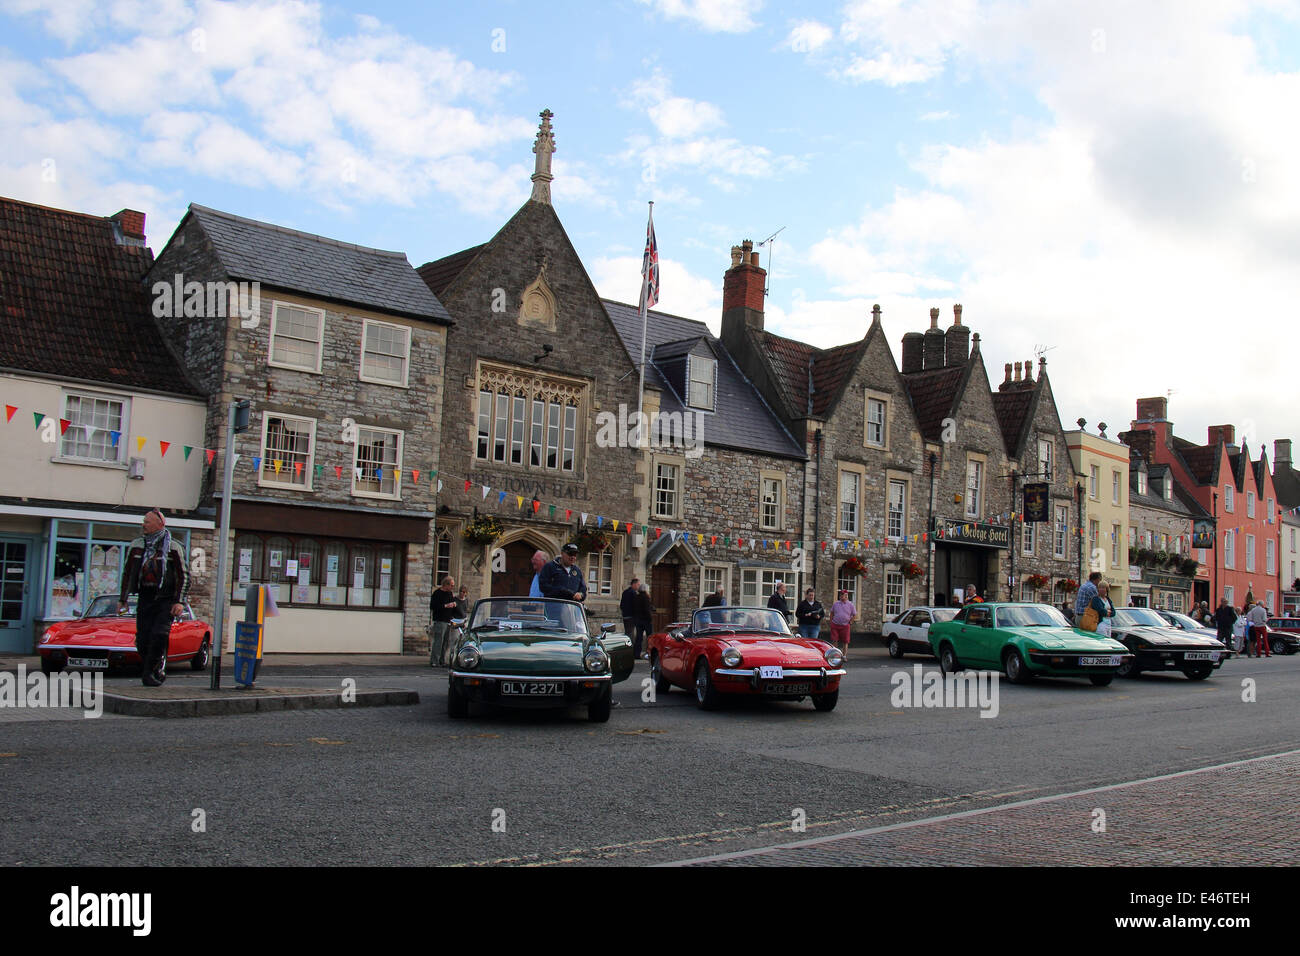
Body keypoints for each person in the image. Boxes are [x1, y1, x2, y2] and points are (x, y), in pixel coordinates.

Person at [118, 508, 189, 687]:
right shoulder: (136, 545)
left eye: (147, 522)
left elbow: (184, 576)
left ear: (160, 524)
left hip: (166, 599)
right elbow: (127, 573)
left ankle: (149, 673)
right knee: (142, 639)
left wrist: (180, 601)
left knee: (159, 635)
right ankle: (155, 667)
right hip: (145, 596)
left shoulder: (174, 547)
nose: (144, 524)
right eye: (144, 521)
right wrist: (123, 599)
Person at [429, 575, 459, 667]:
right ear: (446, 584)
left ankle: (442, 660)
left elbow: (453, 605)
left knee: (446, 642)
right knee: (439, 641)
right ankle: (435, 660)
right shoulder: (437, 593)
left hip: (448, 620)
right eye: (451, 585)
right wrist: (446, 606)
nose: (452, 587)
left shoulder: (450, 594)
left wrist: (454, 605)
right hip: (440, 620)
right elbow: (433, 607)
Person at [633, 580, 654, 660]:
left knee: (639, 638)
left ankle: (636, 653)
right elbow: (646, 610)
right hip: (646, 620)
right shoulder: (645, 597)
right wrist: (650, 618)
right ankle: (649, 653)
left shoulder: (636, 597)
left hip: (638, 620)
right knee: (650, 637)